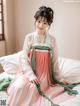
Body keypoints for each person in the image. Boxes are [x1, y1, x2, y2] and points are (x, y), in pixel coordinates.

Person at [7, 6, 78, 106]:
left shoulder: (52, 40)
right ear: (35, 21)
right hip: (30, 73)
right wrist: (30, 75)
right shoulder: (29, 37)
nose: (40, 25)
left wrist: (59, 79)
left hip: (45, 77)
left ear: (48, 24)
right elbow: (24, 58)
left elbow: (54, 61)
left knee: (32, 89)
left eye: (44, 23)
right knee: (18, 88)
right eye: (39, 21)